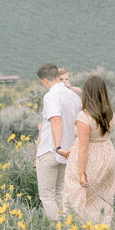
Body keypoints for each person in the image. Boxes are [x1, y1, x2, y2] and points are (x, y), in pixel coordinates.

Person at [63, 74, 115, 224]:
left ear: (87, 93)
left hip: (91, 158)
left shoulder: (85, 116)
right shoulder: (109, 113)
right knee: (102, 197)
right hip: (107, 155)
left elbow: (84, 146)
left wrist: (81, 172)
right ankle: (101, 229)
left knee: (77, 196)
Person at [34, 63, 82, 220]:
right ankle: (68, 229)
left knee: (47, 196)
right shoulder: (73, 96)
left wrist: (57, 146)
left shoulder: (51, 96)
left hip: (52, 150)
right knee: (60, 192)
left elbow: (55, 120)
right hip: (67, 151)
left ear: (45, 81)